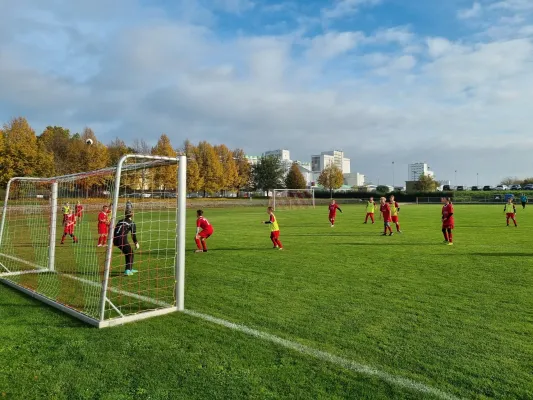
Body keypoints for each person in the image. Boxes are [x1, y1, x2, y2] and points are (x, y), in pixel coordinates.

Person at [113, 210, 139, 276]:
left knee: (128, 253)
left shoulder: (120, 221)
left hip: (114, 239)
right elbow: (133, 235)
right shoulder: (132, 223)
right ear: (132, 214)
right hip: (121, 239)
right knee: (130, 253)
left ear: (125, 214)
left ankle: (129, 269)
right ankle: (127, 270)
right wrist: (136, 243)